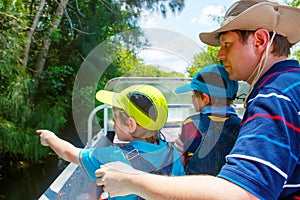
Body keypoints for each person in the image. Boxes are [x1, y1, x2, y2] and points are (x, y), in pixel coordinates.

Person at [95, 1, 300, 199]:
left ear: (260, 41)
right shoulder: (290, 84)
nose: (220, 54)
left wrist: (132, 181)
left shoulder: (275, 95)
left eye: (227, 44)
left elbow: (242, 194)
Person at [36, 84, 185, 200]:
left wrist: (50, 139)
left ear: (130, 125)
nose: (113, 121)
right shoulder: (172, 153)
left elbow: (70, 153)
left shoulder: (114, 155)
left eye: (115, 118)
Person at [174, 64, 241, 175]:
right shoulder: (241, 125)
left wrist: (178, 153)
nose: (192, 99)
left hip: (196, 188)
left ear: (205, 98)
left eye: (193, 95)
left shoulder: (191, 124)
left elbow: (182, 161)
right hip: (228, 187)